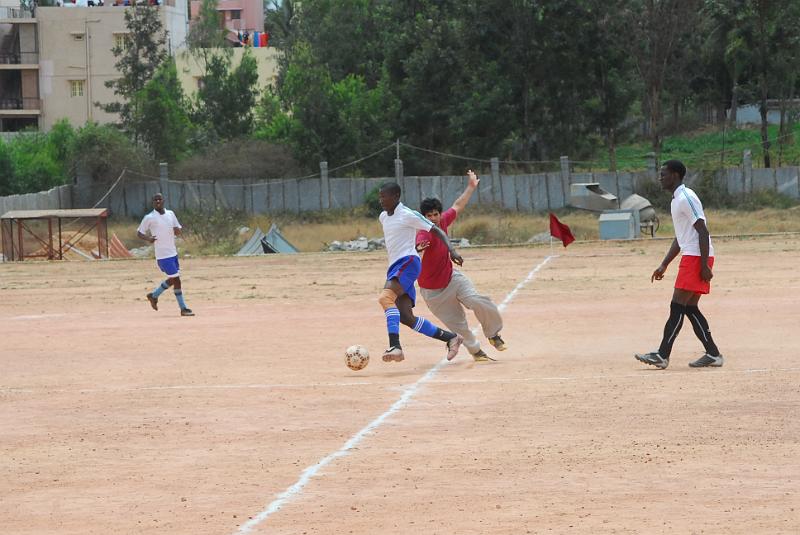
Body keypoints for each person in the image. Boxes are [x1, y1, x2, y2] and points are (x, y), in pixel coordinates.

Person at [635, 160, 723, 369]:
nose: (660, 178)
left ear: (674, 175)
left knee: (677, 305)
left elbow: (703, 230)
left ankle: (662, 355)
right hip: (693, 254)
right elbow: (680, 237)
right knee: (689, 307)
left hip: (696, 257)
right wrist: (664, 264)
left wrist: (704, 266)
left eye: (663, 174)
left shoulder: (686, 198)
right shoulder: (676, 200)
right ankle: (713, 354)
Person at [415, 170, 506, 362]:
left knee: (478, 300)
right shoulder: (423, 233)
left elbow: (458, 204)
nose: (433, 218)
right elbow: (419, 249)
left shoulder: (445, 220)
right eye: (429, 215)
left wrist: (471, 187)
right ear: (423, 217)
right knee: (459, 327)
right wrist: (418, 250)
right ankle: (477, 353)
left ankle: (493, 334)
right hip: (433, 292)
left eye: (435, 214)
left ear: (440, 214)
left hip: (452, 279)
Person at [377, 181, 464, 363]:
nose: (381, 200)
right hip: (397, 265)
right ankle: (451, 338)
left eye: (384, 196)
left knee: (385, 298)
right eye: (380, 196)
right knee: (406, 318)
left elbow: (437, 230)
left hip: (408, 262)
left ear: (396, 197)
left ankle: (395, 346)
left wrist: (452, 250)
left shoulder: (408, 214)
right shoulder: (383, 217)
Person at [137, 193, 194, 317]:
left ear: (163, 201)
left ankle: (154, 295)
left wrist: (178, 231)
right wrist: (148, 238)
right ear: (153, 202)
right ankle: (183, 308)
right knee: (177, 280)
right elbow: (139, 232)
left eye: (159, 199)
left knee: (173, 279)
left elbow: (177, 228)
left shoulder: (170, 214)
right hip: (162, 255)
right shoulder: (149, 217)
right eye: (155, 199)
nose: (158, 201)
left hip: (173, 252)